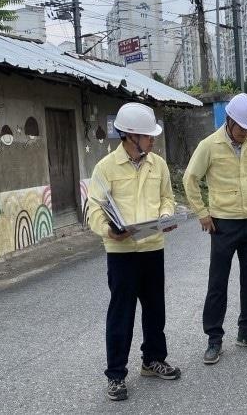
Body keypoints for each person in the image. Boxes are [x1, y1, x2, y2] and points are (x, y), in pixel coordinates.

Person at [87, 102, 180, 401]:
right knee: (121, 314)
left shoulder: (159, 164)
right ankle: (116, 375)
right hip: (121, 252)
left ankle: (153, 360)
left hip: (153, 247)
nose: (153, 140)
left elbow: (167, 197)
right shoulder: (105, 168)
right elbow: (94, 210)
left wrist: (166, 216)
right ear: (129, 136)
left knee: (155, 309)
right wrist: (109, 230)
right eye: (147, 136)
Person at [183, 93, 247, 365]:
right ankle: (214, 339)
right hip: (223, 225)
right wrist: (202, 214)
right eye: (243, 127)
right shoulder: (210, 145)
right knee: (218, 284)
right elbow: (190, 179)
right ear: (230, 120)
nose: (246, 133)